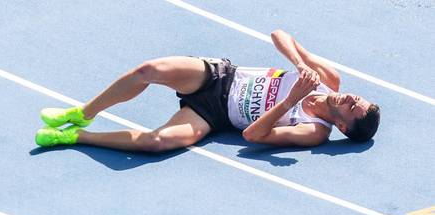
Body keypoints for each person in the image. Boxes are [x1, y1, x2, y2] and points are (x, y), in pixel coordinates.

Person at [35, 29, 380, 152]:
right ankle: (83, 113)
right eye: (356, 96)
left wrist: (290, 100)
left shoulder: (313, 133)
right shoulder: (327, 79)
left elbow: (252, 135)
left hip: (213, 115)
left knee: (159, 142)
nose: (349, 97)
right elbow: (279, 34)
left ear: (344, 127)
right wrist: (299, 62)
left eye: (353, 107)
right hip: (218, 78)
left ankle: (74, 138)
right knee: (148, 71)